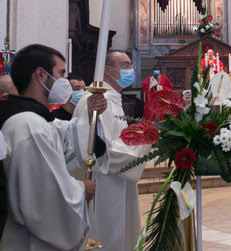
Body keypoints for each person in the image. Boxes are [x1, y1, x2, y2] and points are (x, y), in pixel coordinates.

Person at [0, 44, 106, 250]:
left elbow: (68, 134)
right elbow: (40, 197)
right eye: (61, 73)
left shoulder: (36, 121)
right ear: (41, 74)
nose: (64, 81)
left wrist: (90, 114)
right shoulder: (29, 126)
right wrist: (80, 189)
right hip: (28, 242)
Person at [72, 50, 150, 250]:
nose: (131, 69)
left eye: (130, 64)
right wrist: (142, 142)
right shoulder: (96, 100)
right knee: (107, 236)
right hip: (104, 185)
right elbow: (102, 150)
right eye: (125, 65)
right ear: (107, 70)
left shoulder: (113, 98)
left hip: (117, 182)